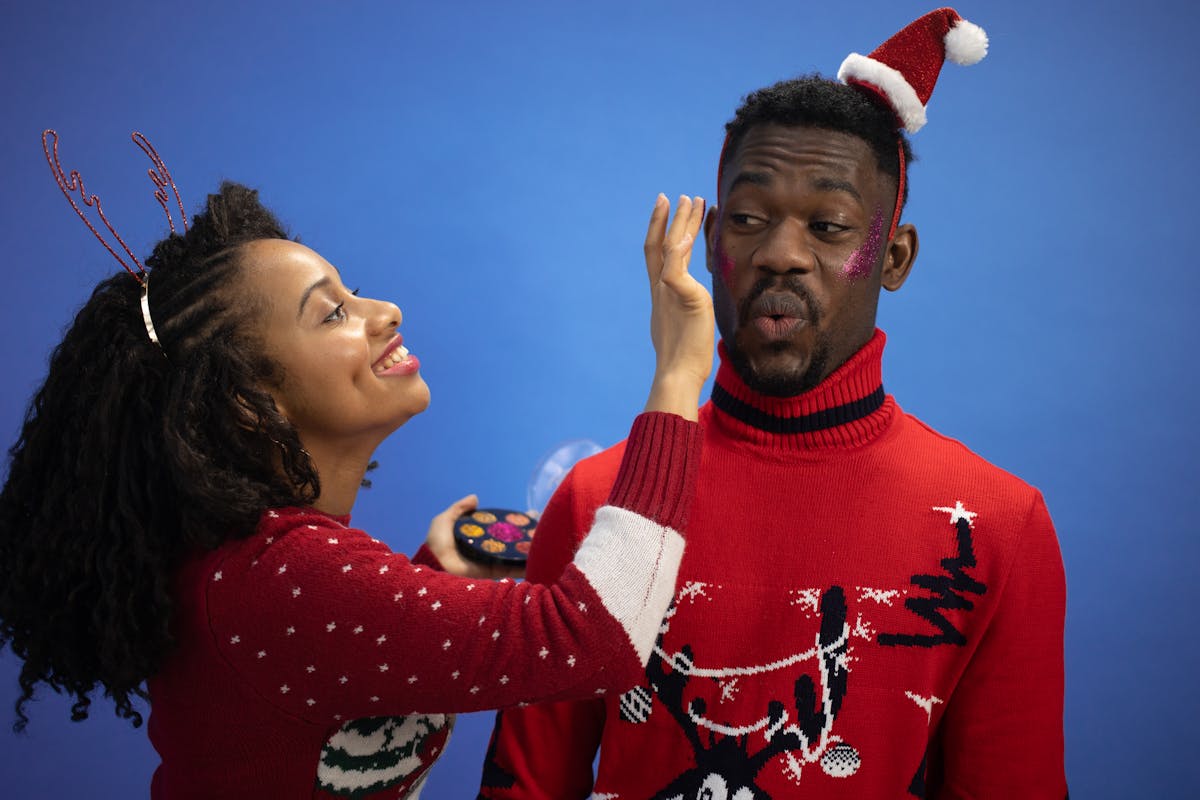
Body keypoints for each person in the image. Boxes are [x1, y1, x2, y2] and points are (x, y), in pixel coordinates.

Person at [0, 127, 715, 798]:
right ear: (252, 404)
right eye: (332, 313)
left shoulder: (265, 570)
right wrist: (680, 375)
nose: (386, 311)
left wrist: (432, 580)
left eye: (351, 291)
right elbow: (597, 640)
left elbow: (333, 686)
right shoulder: (283, 580)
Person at [478, 9, 1068, 799]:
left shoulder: (996, 527)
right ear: (714, 240)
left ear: (892, 258)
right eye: (750, 220)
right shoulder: (598, 506)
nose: (780, 253)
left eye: (828, 226)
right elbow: (525, 784)